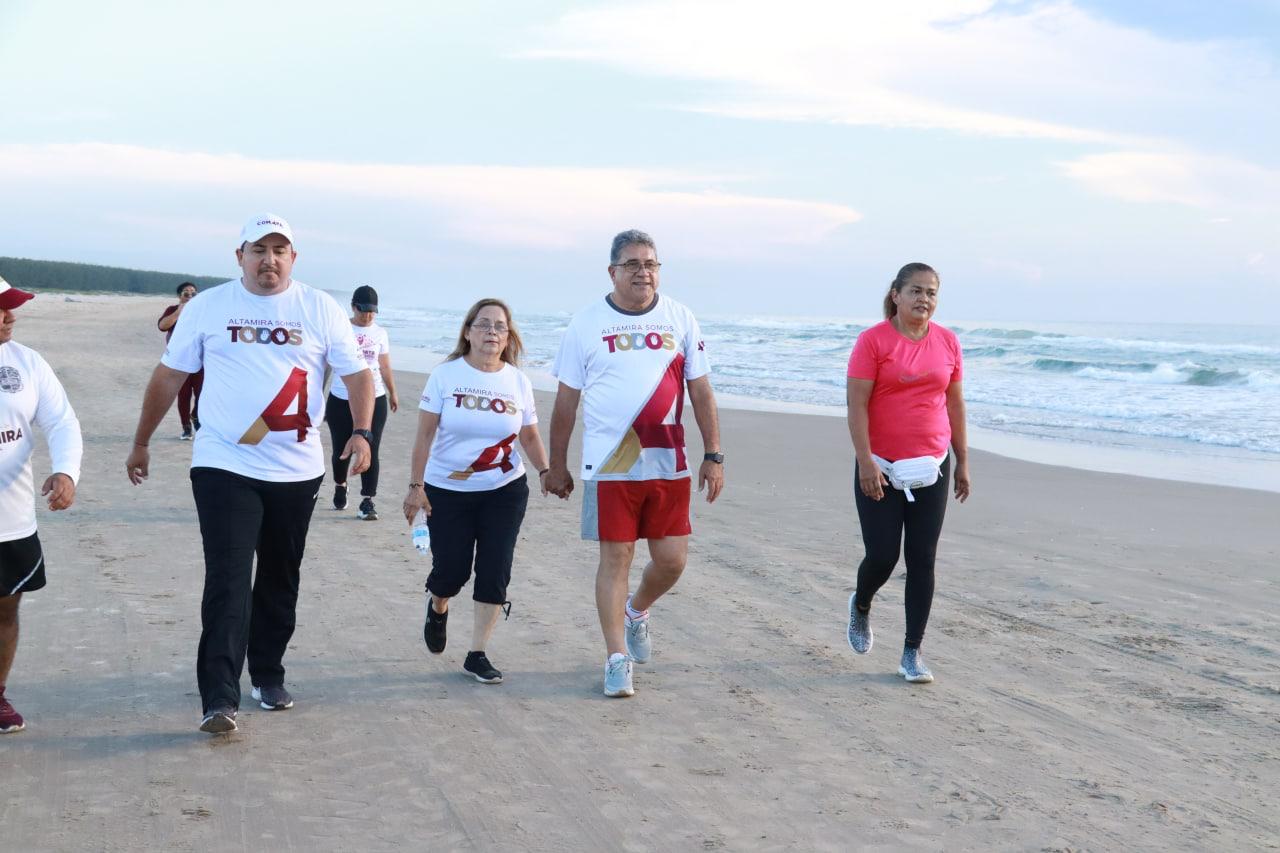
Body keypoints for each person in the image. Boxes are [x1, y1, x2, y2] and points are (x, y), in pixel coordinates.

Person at [125, 214, 375, 734]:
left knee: (281, 576)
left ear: (294, 258)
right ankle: (218, 697)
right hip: (224, 463)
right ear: (239, 256)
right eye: (259, 249)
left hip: (297, 469)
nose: (270, 260)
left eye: (280, 250)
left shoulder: (319, 308)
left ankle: (267, 672)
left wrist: (362, 432)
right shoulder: (209, 308)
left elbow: (356, 375)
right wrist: (142, 441)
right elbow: (170, 374)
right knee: (229, 577)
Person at [545, 229, 724, 698]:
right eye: (632, 264)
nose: (643, 272)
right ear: (613, 272)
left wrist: (714, 454)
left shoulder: (680, 317)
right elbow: (566, 403)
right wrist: (557, 465)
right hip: (611, 464)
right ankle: (616, 657)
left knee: (671, 561)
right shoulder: (585, 324)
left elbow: (701, 390)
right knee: (616, 557)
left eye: (651, 264)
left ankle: (637, 609)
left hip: (669, 461)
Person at [403, 299, 549, 684]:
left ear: (508, 336)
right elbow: (424, 436)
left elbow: (529, 434)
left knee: (495, 569)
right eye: (483, 325)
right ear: (467, 332)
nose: (491, 333)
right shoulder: (446, 376)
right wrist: (416, 487)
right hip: (447, 490)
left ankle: (477, 653)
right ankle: (438, 605)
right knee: (450, 570)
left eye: (499, 326)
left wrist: (546, 470)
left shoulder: (518, 381)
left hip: (504, 489)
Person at [845, 262, 970, 684]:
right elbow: (857, 405)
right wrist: (865, 462)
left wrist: (962, 460)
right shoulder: (873, 341)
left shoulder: (948, 342)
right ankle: (861, 604)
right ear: (896, 294)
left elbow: (954, 404)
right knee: (882, 555)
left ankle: (912, 652)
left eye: (932, 292)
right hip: (879, 466)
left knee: (923, 560)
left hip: (932, 466)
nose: (924, 299)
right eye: (916, 290)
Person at [0, 276, 83, 734]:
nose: (11, 315)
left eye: (12, 306)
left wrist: (66, 470)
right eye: (1, 308)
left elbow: (62, 421)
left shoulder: (25, 363)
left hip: (10, 518)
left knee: (6, 609)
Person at [327, 285, 398, 520]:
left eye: (372, 311)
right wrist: (318, 391)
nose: (367, 315)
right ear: (353, 307)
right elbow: (326, 364)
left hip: (375, 397)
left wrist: (392, 392)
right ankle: (340, 484)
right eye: (363, 310)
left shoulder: (380, 333)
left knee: (371, 447)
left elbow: (385, 365)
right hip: (341, 397)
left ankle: (368, 501)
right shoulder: (341, 329)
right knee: (341, 448)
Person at [157, 282, 204, 440]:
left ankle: (196, 416)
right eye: (186, 293)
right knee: (183, 396)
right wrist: (179, 310)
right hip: (179, 362)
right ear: (179, 296)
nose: (190, 295)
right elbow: (162, 326)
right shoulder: (172, 310)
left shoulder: (203, 311)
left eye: (194, 293)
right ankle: (186, 427)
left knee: (203, 395)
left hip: (201, 362)